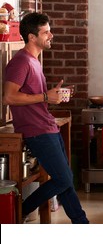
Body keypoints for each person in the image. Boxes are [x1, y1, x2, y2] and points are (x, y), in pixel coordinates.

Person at [3, 12, 89, 224]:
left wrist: (51, 97)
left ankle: (82, 223)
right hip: (37, 131)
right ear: (32, 37)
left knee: (65, 180)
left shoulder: (34, 61)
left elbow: (31, 97)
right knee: (64, 179)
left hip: (47, 126)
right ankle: (20, 211)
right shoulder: (21, 62)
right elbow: (9, 97)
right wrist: (44, 96)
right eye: (46, 32)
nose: (51, 35)